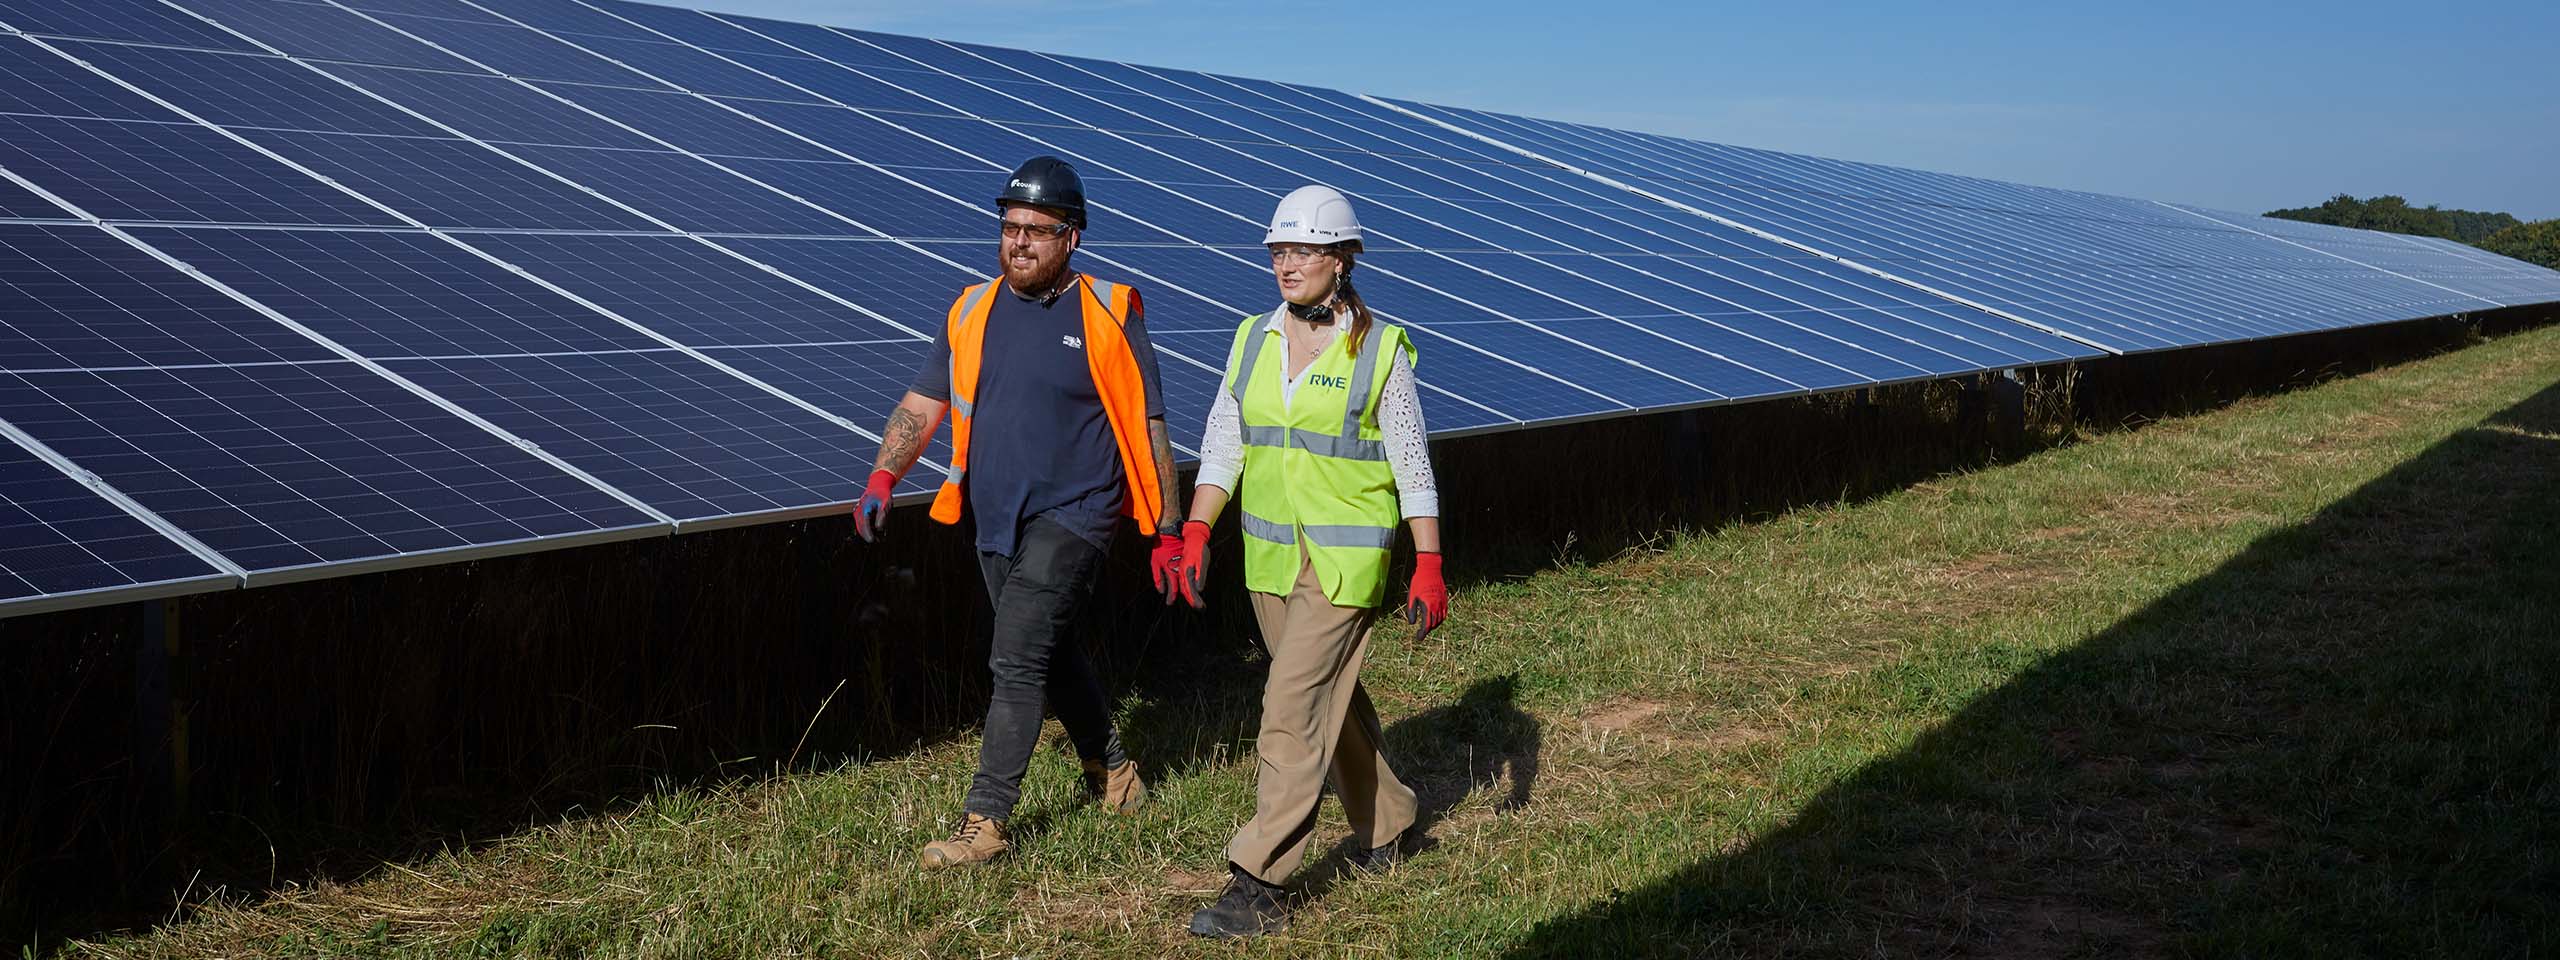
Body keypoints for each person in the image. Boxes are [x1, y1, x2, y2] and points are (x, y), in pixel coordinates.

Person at [852, 156, 1190, 869]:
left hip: (1079, 513)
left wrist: (1168, 529)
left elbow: (1150, 424)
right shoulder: (970, 310)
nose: (1019, 243)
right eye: (1010, 227)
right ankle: (1117, 773)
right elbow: (922, 404)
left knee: (1015, 657)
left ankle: (985, 822)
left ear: (1073, 238)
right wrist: (884, 474)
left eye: (1038, 230)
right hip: (995, 516)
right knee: (1046, 649)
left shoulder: (1110, 311)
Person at [1170, 185, 1450, 938]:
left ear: (1340, 259)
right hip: (1268, 559)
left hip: (1346, 565)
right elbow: (1226, 440)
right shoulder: (1251, 339)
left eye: (1302, 251)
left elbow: (1411, 462)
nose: (1285, 264)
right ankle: (1389, 822)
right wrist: (1198, 529)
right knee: (1330, 702)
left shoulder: (1379, 351)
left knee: (1289, 711)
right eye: (1277, 250)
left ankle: (1258, 881)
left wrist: (1429, 561)